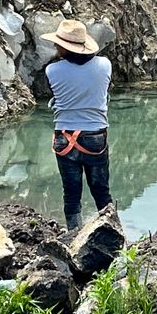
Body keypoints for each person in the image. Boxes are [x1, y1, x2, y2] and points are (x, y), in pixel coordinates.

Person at [44, 19, 112, 231]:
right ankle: (113, 233)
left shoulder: (52, 70)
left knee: (71, 193)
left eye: (58, 43)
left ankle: (74, 234)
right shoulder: (105, 64)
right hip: (95, 137)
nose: (55, 46)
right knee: (102, 191)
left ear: (65, 47)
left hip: (65, 137)